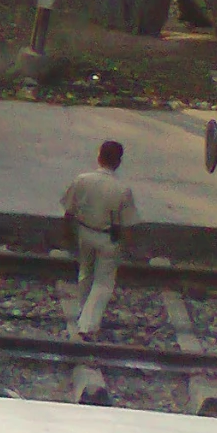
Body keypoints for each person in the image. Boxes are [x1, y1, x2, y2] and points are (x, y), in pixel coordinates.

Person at [62, 140, 139, 339]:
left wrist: (68, 234)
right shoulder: (122, 190)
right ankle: (87, 324)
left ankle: (83, 310)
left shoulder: (82, 180)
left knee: (85, 271)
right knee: (104, 282)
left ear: (99, 157)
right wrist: (127, 245)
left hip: (84, 231)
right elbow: (128, 223)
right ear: (119, 162)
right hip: (108, 238)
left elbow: (69, 210)